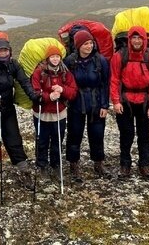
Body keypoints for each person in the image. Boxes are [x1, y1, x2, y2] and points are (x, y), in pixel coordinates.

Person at [0, 38, 40, 190]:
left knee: (14, 139)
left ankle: (24, 171)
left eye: (5, 50)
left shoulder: (13, 64)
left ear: (9, 51)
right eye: (0, 50)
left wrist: (34, 96)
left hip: (7, 109)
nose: (3, 53)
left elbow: (24, 81)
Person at [110, 26, 149, 178]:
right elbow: (114, 80)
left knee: (144, 135)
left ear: (144, 39)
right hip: (124, 101)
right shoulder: (119, 56)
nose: (136, 41)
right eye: (134, 38)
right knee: (126, 134)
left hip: (144, 102)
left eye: (139, 38)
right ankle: (125, 164)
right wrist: (115, 101)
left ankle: (144, 165)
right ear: (129, 39)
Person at [63, 30, 110, 182]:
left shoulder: (100, 60)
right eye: (85, 44)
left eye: (91, 43)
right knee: (74, 135)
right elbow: (64, 82)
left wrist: (104, 105)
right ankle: (73, 164)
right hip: (76, 103)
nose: (89, 46)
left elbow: (105, 84)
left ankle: (98, 163)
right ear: (78, 46)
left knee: (97, 134)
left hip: (96, 103)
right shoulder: (70, 61)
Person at [30, 45, 78, 179]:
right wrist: (48, 96)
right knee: (42, 141)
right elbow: (34, 91)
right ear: (47, 58)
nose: (55, 59)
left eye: (57, 56)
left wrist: (62, 90)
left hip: (59, 114)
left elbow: (73, 92)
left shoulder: (65, 73)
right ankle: (42, 166)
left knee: (57, 140)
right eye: (52, 56)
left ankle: (55, 165)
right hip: (42, 113)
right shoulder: (39, 72)